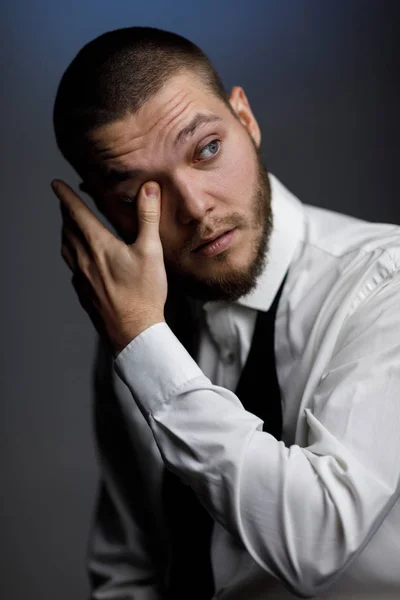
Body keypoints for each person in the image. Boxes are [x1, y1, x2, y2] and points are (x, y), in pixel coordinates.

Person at [52, 27, 400, 600]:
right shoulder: (137, 326)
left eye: (207, 149)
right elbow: (133, 565)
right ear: (101, 211)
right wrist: (142, 339)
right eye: (140, 191)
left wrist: (143, 344)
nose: (194, 207)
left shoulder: (381, 279)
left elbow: (320, 540)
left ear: (245, 117)